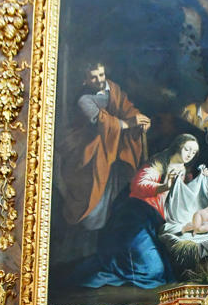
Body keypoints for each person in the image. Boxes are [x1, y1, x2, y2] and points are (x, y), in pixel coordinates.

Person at [75, 134, 200, 289]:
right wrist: (164, 186)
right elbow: (138, 185)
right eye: (187, 149)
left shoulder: (183, 169)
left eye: (193, 152)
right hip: (135, 217)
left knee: (165, 268)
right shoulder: (159, 162)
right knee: (152, 271)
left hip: (156, 219)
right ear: (177, 146)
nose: (189, 154)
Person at [57, 59, 151, 234]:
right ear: (85, 80)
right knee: (94, 188)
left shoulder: (112, 88)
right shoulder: (83, 100)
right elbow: (103, 123)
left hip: (113, 146)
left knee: (113, 187)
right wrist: (132, 122)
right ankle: (92, 227)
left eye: (101, 75)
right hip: (89, 149)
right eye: (93, 77)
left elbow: (127, 108)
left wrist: (141, 119)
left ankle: (112, 221)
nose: (99, 80)